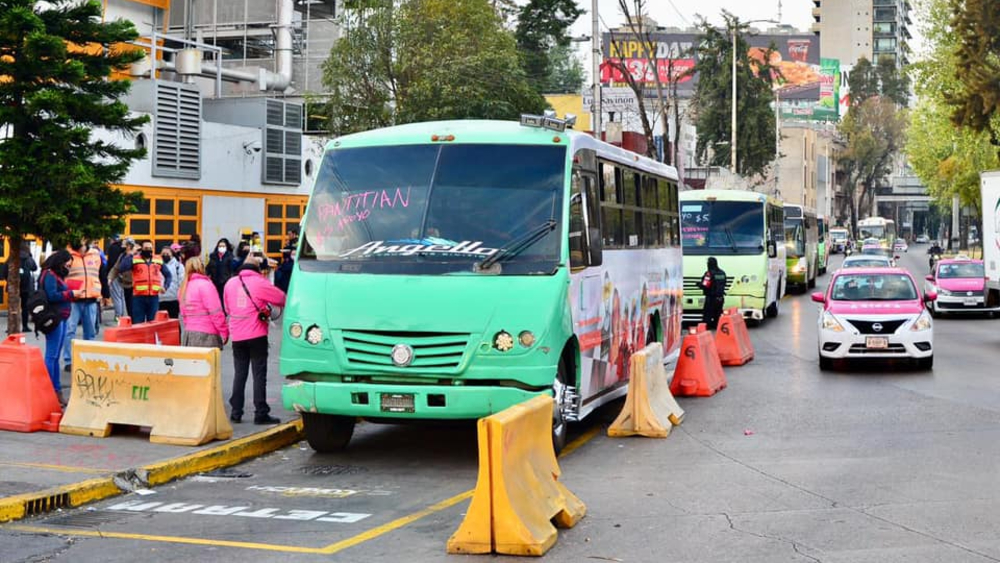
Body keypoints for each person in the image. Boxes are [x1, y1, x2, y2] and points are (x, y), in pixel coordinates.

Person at [223, 256, 286, 425]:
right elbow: (282, 298)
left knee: (239, 374)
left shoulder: (230, 283)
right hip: (257, 335)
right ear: (257, 269)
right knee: (259, 375)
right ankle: (260, 412)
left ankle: (236, 412)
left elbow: (227, 308)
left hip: (237, 336)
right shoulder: (260, 282)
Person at [39, 250, 78, 398]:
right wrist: (71, 294)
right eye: (68, 263)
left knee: (55, 356)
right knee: (52, 355)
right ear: (60, 261)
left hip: (60, 317)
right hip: (54, 318)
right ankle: (51, 389)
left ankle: (56, 388)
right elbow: (52, 296)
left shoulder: (55, 275)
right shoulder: (49, 275)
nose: (69, 266)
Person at [62, 240, 103, 372]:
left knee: (90, 332)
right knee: (70, 330)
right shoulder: (67, 255)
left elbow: (102, 273)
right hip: (73, 298)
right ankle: (69, 361)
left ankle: (88, 359)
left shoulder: (96, 254)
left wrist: (104, 294)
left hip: (91, 297)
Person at [179, 257, 228, 349]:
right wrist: (224, 331)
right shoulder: (206, 285)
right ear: (202, 268)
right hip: (207, 334)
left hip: (189, 334)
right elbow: (215, 311)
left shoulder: (183, 287)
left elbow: (183, 313)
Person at [119, 240, 172, 323]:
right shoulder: (135, 259)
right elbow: (122, 268)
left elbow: (168, 275)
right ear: (141, 249)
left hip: (153, 297)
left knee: (153, 323)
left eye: (150, 248)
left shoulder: (158, 259)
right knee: (138, 323)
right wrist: (130, 254)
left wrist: (165, 286)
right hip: (138, 297)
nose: (148, 250)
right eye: (146, 248)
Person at [696, 256, 727, 329]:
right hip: (720, 298)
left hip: (711, 298)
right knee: (718, 314)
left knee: (707, 315)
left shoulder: (709, 273)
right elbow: (724, 283)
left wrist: (698, 284)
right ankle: (718, 328)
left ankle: (706, 329)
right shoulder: (722, 273)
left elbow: (705, 285)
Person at [109, 238, 135, 320]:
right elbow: (116, 268)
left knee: (133, 308)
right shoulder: (122, 255)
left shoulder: (136, 256)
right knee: (128, 305)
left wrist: (130, 255)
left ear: (129, 246)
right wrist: (110, 278)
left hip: (135, 285)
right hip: (125, 284)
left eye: (124, 244)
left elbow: (124, 267)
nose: (121, 246)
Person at [158, 245, 185, 319]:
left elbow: (182, 282)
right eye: (163, 254)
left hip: (174, 299)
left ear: (172, 254)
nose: (165, 255)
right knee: (161, 323)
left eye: (167, 254)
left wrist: (181, 297)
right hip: (160, 299)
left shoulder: (178, 266)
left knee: (174, 321)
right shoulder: (157, 265)